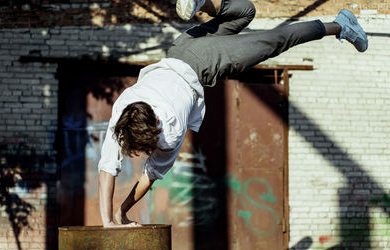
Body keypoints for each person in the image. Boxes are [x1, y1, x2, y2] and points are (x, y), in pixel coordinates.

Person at [98, 0, 368, 227]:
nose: (149, 151)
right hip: (180, 48)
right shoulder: (124, 108)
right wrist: (111, 217)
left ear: (156, 122)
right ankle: (202, 2)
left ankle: (339, 25)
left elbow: (146, 176)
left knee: (275, 41)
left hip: (203, 62)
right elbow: (107, 169)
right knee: (245, 11)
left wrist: (116, 216)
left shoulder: (170, 131)